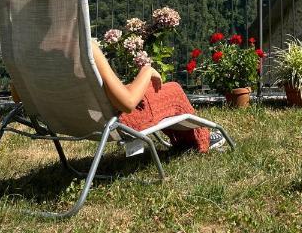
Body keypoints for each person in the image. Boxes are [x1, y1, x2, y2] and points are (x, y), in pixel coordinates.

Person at [91, 40, 226, 152]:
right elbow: (128, 103)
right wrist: (147, 70)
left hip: (87, 120)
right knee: (173, 90)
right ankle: (202, 139)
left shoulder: (70, 50)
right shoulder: (87, 47)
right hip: (117, 121)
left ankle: (185, 140)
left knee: (149, 88)